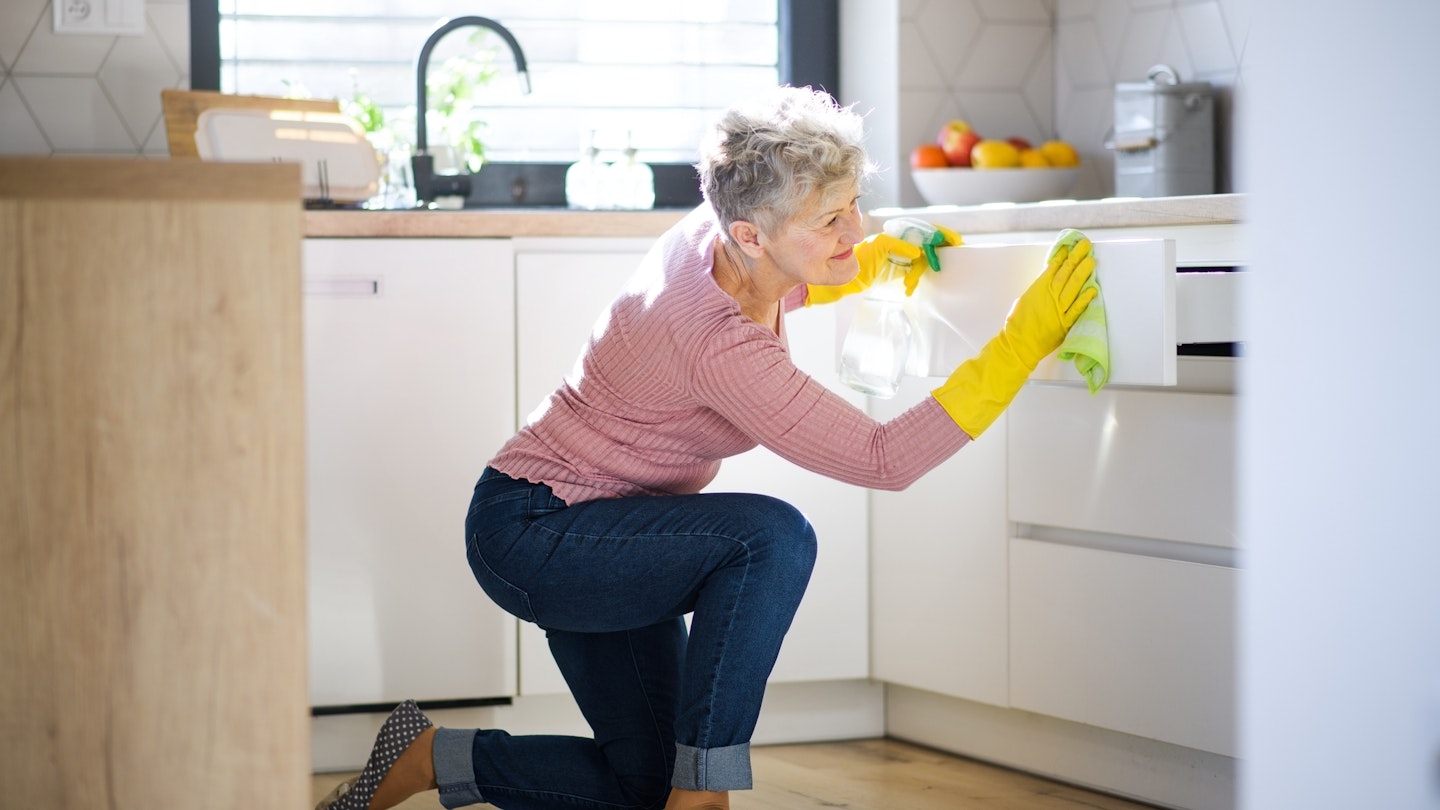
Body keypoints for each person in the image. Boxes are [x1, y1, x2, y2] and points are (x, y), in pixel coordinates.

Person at [316, 86, 1096, 810]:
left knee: (639, 784)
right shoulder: (715, 341)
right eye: (832, 222)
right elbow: (883, 460)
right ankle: (706, 794)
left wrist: (853, 270)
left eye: (855, 206)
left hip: (618, 526)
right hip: (539, 533)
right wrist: (1018, 345)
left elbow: (772, 277)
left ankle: (430, 758)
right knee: (770, 538)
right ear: (751, 233)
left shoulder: (716, 232)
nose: (857, 231)